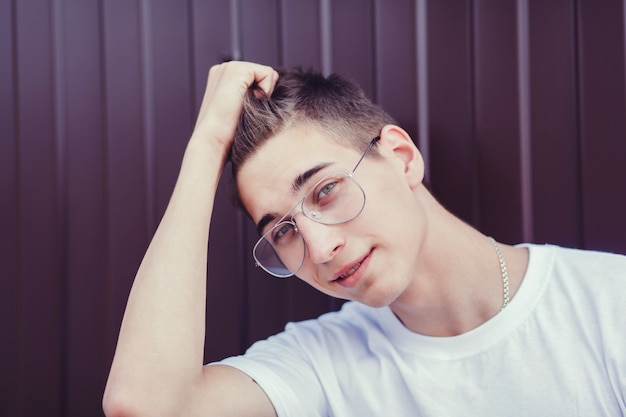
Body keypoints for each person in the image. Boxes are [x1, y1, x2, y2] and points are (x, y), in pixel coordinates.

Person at [103, 61, 626, 417]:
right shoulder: (322, 363)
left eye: (326, 190)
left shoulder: (608, 307)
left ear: (401, 157)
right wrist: (205, 148)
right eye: (284, 231)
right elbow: (146, 405)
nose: (320, 247)